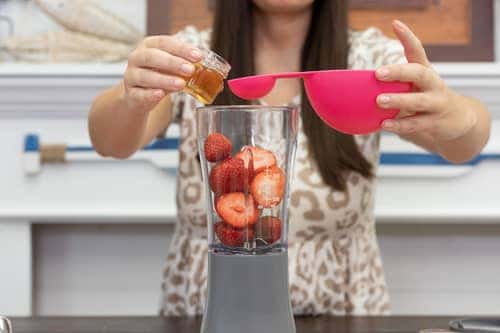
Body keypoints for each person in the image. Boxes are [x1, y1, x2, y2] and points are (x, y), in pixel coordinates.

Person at [88, 0, 491, 316]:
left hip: (345, 313)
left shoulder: (369, 60)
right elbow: (110, 141)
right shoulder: (193, 59)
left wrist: (456, 115)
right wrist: (132, 97)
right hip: (204, 312)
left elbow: (464, 143)